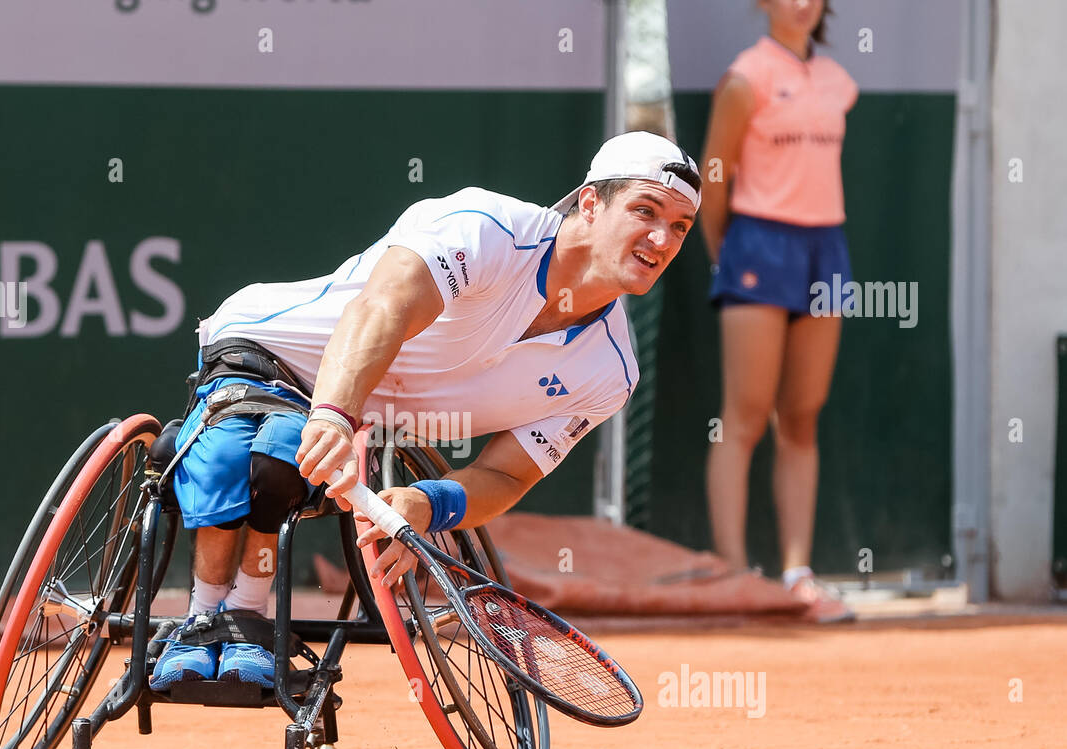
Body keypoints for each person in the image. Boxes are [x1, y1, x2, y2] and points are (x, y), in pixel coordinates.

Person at [150, 131, 702, 691]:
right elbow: (383, 307)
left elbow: (507, 474)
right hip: (270, 351)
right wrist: (334, 413)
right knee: (238, 458)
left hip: (360, 418)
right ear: (590, 202)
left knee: (279, 466)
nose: (661, 237)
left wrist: (426, 502)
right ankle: (205, 617)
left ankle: (244, 616)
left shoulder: (610, 371)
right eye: (645, 210)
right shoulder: (486, 229)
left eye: (680, 226)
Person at [699, 0, 858, 622]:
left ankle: (797, 575)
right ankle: (734, 575)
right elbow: (714, 176)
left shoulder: (841, 82)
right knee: (743, 417)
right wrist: (729, 256)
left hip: (828, 247)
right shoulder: (746, 78)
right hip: (757, 247)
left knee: (802, 418)